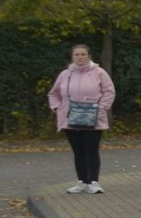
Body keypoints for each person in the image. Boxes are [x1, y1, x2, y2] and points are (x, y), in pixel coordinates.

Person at [47, 44, 116, 194]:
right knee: (78, 151)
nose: (80, 57)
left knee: (91, 150)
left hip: (92, 117)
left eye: (83, 54)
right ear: (72, 57)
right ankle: (82, 181)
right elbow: (53, 94)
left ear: (89, 56)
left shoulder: (99, 72)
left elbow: (109, 91)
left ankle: (94, 182)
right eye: (77, 55)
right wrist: (58, 108)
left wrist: (101, 108)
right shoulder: (65, 74)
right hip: (70, 118)